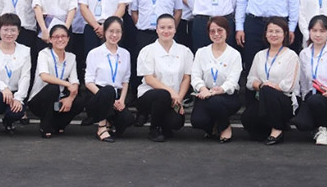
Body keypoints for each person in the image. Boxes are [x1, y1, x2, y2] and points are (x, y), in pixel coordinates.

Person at [241, 18, 300, 145]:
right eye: (270, 31)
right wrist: (262, 86)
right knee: (247, 119)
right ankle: (272, 125)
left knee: (267, 91)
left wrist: (269, 87)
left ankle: (277, 130)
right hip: (262, 98)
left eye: (277, 31)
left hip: (284, 101)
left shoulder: (291, 56)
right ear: (266, 34)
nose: (274, 34)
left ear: (285, 34)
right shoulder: (260, 55)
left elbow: (289, 86)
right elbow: (250, 81)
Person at [136, 14, 194, 142]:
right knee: (163, 94)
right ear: (156, 29)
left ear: (175, 29)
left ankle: (164, 125)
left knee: (176, 122)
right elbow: (149, 79)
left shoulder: (185, 52)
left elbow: (186, 78)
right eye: (162, 28)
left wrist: (179, 98)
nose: (166, 31)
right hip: (149, 97)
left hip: (173, 98)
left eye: (170, 27)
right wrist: (172, 92)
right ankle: (154, 129)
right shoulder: (147, 51)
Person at [293, 15, 327, 146]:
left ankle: (325, 129)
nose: (318, 34)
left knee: (316, 100)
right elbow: (303, 80)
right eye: (314, 30)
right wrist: (304, 97)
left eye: (322, 31)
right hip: (311, 96)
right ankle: (317, 128)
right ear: (309, 31)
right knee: (301, 123)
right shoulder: (304, 54)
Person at [27, 24, 86, 138]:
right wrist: (66, 83)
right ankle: (45, 126)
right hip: (39, 100)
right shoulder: (44, 54)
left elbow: (75, 81)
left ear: (68, 39)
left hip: (58, 100)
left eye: (63, 36)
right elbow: (44, 76)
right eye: (56, 37)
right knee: (52, 88)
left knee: (79, 101)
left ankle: (58, 125)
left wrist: (70, 99)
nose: (60, 39)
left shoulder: (71, 57)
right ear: (50, 39)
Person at [190, 16, 243, 143]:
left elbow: (232, 81)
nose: (216, 34)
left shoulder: (234, 54)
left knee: (215, 102)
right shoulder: (201, 52)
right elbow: (195, 76)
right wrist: (203, 89)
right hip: (205, 94)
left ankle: (224, 126)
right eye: (212, 31)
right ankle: (213, 125)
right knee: (198, 121)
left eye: (220, 30)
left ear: (227, 32)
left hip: (227, 96)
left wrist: (216, 91)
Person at [0, 14, 32, 138]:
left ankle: (8, 122)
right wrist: (3, 87)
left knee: (18, 111)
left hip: (14, 93)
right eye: (5, 30)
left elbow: (25, 77)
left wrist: (18, 98)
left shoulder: (25, 51)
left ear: (18, 32)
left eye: (13, 30)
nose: (9, 33)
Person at [84, 17, 135, 142]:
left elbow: (125, 80)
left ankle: (110, 123)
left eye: (118, 31)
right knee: (108, 90)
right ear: (104, 32)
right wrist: (107, 98)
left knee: (128, 119)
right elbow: (88, 81)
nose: (114, 35)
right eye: (111, 31)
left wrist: (121, 100)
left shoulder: (125, 54)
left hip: (117, 96)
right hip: (98, 95)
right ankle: (101, 127)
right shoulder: (94, 53)